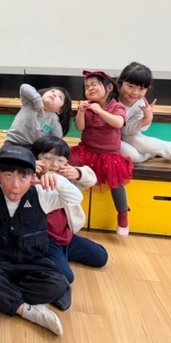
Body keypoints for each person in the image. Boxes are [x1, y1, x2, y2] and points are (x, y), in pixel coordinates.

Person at [0, 146, 83, 336]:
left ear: (32, 177)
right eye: (8, 176)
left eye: (23, 177)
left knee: (57, 284)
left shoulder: (41, 194)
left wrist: (58, 181)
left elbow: (76, 198)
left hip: (32, 263)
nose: (15, 185)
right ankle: (28, 310)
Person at [31, 135, 108, 292]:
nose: (54, 164)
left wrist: (78, 172)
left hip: (66, 237)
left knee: (101, 257)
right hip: (47, 241)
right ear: (36, 159)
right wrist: (30, 168)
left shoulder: (67, 179)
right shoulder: (30, 179)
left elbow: (91, 178)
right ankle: (50, 258)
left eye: (61, 160)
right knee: (66, 277)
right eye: (47, 158)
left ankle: (61, 257)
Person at [70, 70, 133, 237]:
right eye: (86, 87)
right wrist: (81, 111)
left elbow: (118, 122)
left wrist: (99, 111)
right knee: (68, 167)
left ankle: (123, 213)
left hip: (109, 155)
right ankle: (69, 209)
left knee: (116, 181)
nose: (89, 88)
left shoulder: (116, 106)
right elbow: (80, 127)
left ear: (109, 87)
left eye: (94, 84)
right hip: (87, 150)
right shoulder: (88, 107)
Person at [0, 83, 72, 181]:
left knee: (27, 174)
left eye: (60, 97)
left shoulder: (54, 121)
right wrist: (37, 101)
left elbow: (56, 142)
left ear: (60, 110)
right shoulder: (29, 103)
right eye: (52, 91)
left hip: (32, 149)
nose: (54, 94)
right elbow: (24, 87)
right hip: (12, 143)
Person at [117, 62, 170, 163]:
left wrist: (147, 119)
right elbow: (121, 129)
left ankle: (166, 149)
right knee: (134, 157)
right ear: (120, 82)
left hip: (129, 135)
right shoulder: (111, 98)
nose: (135, 92)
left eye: (141, 89)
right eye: (130, 86)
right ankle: (151, 153)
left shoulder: (141, 103)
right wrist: (145, 120)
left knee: (141, 142)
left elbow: (128, 132)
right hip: (109, 138)